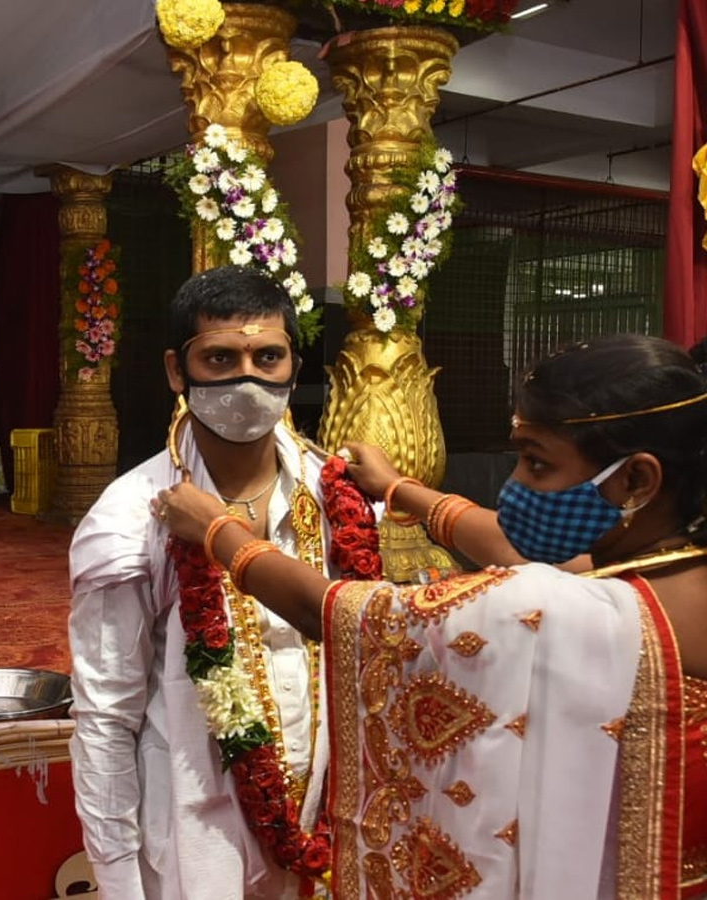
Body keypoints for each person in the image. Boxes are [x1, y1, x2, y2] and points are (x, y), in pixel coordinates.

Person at [155, 332, 707, 898]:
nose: (515, 484)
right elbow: (531, 552)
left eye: (537, 464)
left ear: (637, 480)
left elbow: (342, 617)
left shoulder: (557, 608)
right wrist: (401, 490)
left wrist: (218, 532)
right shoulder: (668, 571)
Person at [68, 265, 341, 899]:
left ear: (293, 369)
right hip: (198, 836)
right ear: (176, 371)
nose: (248, 377)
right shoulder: (128, 517)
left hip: (330, 823)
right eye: (220, 357)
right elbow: (107, 715)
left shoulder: (337, 496)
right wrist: (118, 882)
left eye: (267, 356)